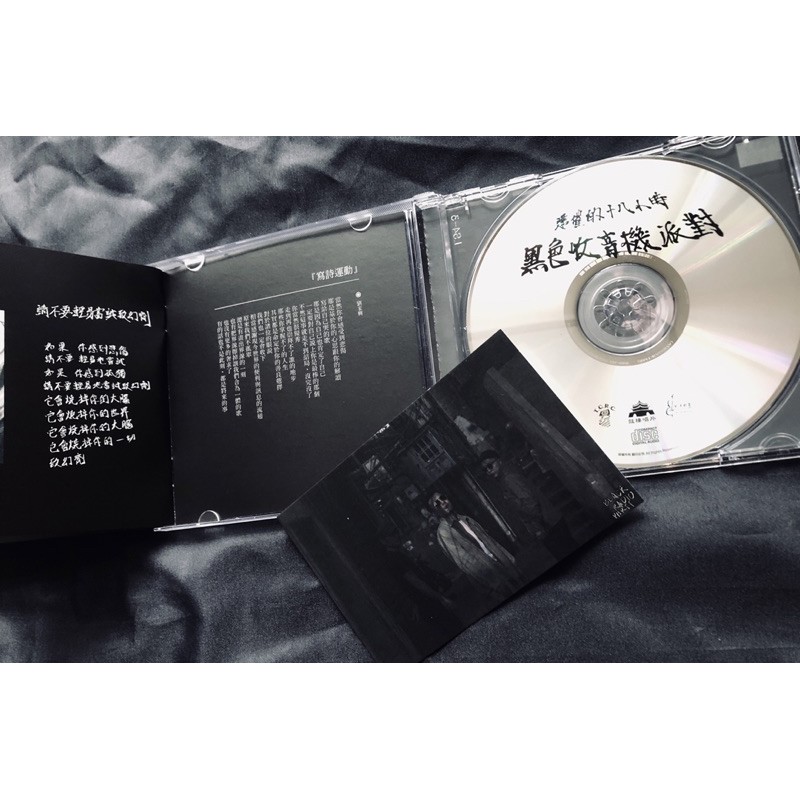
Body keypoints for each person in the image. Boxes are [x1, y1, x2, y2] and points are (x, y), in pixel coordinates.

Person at [428, 491, 521, 597]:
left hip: (502, 564)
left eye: (443, 498)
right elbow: (464, 561)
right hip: (491, 577)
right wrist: (493, 581)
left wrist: (509, 559)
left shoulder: (466, 519)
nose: (443, 502)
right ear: (436, 511)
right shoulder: (444, 532)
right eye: (437, 503)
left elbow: (490, 541)